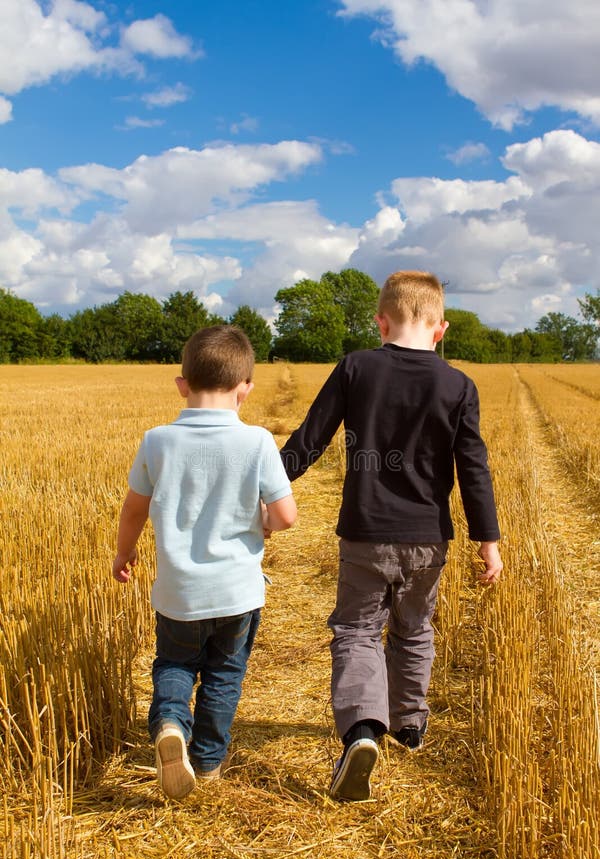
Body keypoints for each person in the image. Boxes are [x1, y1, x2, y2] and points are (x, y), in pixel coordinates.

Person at [280, 271, 502, 802]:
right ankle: (408, 724)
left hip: (365, 533)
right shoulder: (457, 385)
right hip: (429, 538)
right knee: (415, 627)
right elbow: (474, 468)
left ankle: (362, 729)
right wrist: (487, 540)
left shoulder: (356, 367)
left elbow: (310, 439)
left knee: (357, 632)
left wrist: (267, 486)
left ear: (380, 321)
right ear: (440, 328)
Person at [112, 325, 297, 800]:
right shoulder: (257, 443)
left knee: (174, 664)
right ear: (246, 390)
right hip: (237, 592)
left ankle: (171, 725)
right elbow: (285, 516)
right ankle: (208, 763)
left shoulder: (157, 441)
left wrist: (124, 550)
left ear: (182, 384)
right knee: (223, 674)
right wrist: (262, 520)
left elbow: (134, 509)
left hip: (179, 592)